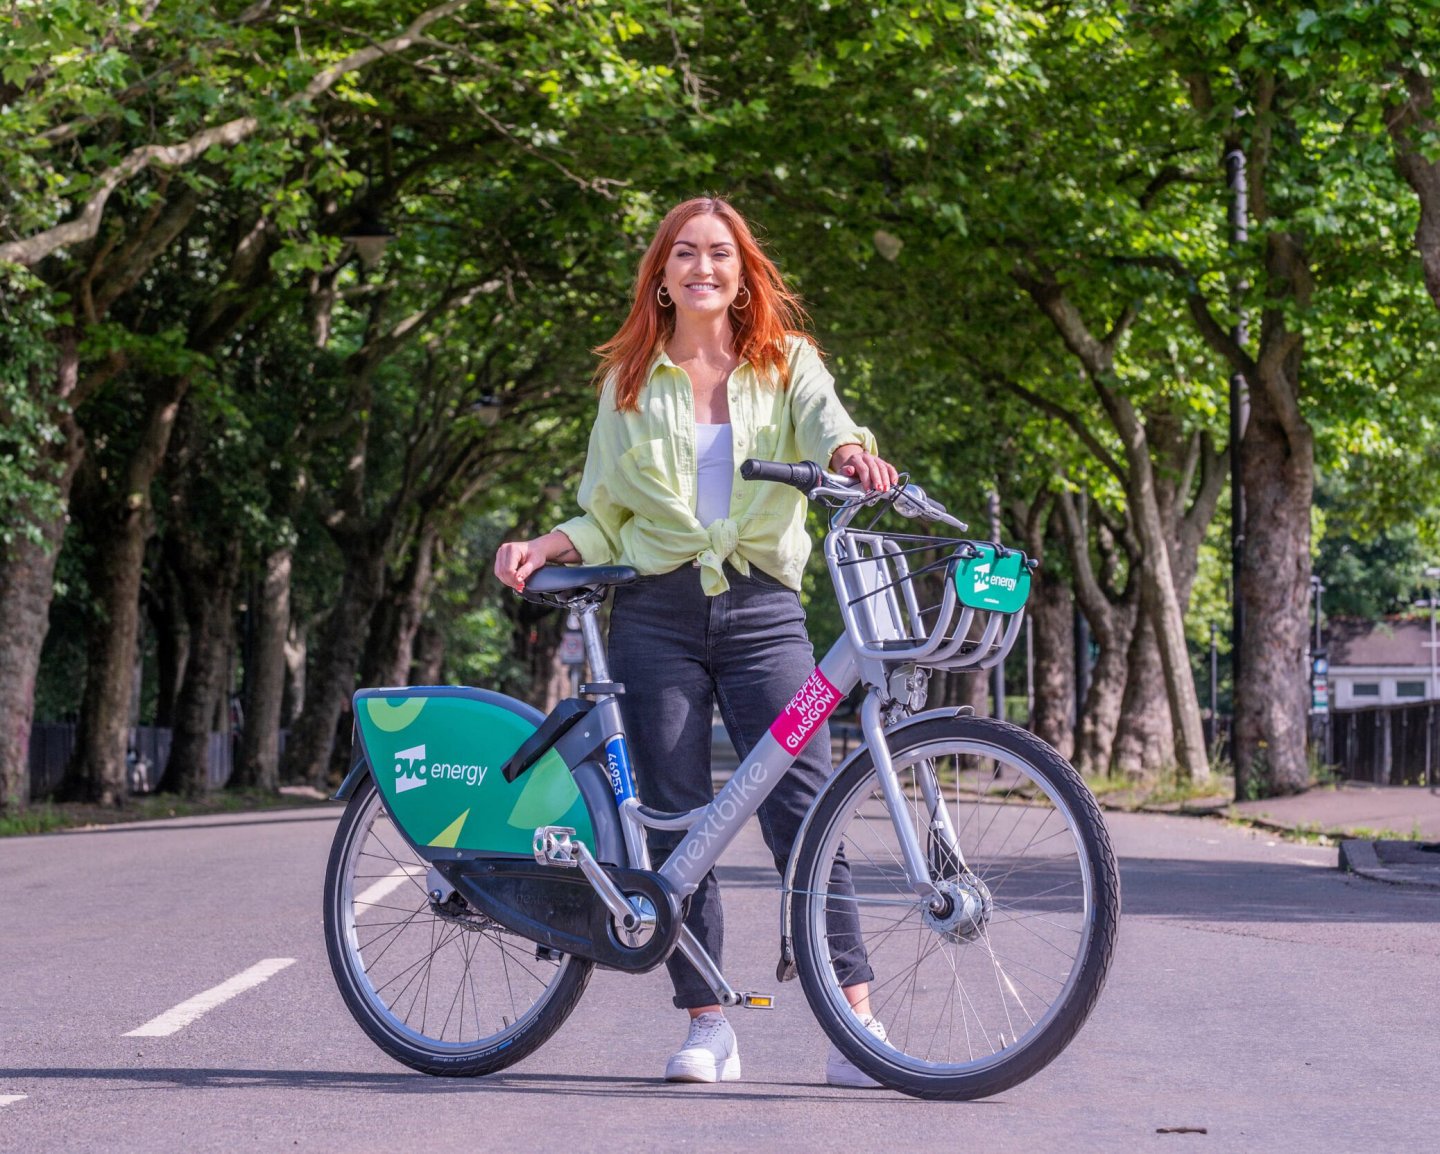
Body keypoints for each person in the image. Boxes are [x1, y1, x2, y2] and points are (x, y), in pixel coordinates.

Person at [494, 196, 899, 1087]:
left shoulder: (786, 364)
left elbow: (833, 428)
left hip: (765, 617)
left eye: (720, 253)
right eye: (685, 254)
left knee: (805, 806)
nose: (703, 267)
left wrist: (852, 458)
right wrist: (545, 545)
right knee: (681, 823)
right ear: (663, 274)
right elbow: (606, 513)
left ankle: (855, 1024)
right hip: (656, 616)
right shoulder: (628, 383)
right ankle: (710, 1022)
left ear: (742, 269)